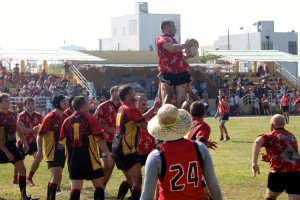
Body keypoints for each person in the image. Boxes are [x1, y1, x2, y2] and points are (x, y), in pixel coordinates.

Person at [140, 104, 222, 200]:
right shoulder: (201, 148)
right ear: (181, 124)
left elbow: (147, 196)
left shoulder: (155, 156)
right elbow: (213, 186)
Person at [59, 96, 113, 200]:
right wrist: (108, 155)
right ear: (84, 107)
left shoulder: (66, 121)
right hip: (90, 160)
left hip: (73, 160)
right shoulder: (90, 119)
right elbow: (100, 139)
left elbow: (62, 140)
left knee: (75, 189)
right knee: (99, 186)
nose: (89, 105)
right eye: (88, 104)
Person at [252, 114, 300, 200]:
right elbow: (292, 156)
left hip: (278, 173)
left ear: (272, 125)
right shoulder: (291, 136)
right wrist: (270, 158)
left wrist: (254, 163)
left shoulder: (270, 136)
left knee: (270, 197)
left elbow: (257, 142)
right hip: (296, 172)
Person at [112, 85, 148, 200]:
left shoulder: (121, 108)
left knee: (129, 180)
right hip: (126, 150)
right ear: (128, 95)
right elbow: (146, 126)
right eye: (133, 92)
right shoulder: (132, 109)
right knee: (137, 181)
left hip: (117, 148)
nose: (135, 94)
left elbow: (137, 119)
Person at [0, 93, 38, 200]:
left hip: (12, 145)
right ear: (0, 103)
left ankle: (23, 196)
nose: (9, 102)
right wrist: (6, 152)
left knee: (22, 169)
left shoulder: (12, 114)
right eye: (6, 101)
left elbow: (18, 128)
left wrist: (24, 142)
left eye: (9, 100)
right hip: (1, 147)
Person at [156, 20, 197, 108]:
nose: (176, 29)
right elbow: (171, 49)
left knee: (181, 104)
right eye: (174, 27)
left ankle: (182, 119)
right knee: (167, 101)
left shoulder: (173, 40)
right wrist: (186, 45)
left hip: (181, 73)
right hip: (168, 73)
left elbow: (179, 56)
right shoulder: (162, 38)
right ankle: (164, 119)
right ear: (167, 28)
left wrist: (189, 54)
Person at [36, 95, 68, 199]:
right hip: (52, 151)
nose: (66, 103)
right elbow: (39, 135)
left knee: (58, 175)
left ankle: (50, 196)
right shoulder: (49, 117)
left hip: (62, 151)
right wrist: (40, 151)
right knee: (57, 174)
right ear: (57, 103)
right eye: (63, 101)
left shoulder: (65, 117)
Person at [93, 86, 121, 190]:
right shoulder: (103, 105)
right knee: (107, 163)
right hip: (105, 139)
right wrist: (107, 128)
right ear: (112, 92)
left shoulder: (123, 106)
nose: (119, 93)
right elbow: (94, 120)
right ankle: (99, 188)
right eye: (117, 91)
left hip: (117, 139)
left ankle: (102, 187)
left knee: (112, 165)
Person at [13, 97, 43, 186]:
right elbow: (21, 129)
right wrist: (33, 130)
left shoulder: (38, 115)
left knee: (38, 158)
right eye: (29, 104)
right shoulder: (22, 115)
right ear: (25, 105)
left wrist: (41, 128)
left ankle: (29, 178)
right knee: (19, 161)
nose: (31, 106)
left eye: (32, 104)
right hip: (23, 141)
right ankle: (15, 177)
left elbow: (44, 124)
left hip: (34, 141)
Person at [135, 93, 160, 166]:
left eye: (145, 100)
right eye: (141, 100)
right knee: (136, 174)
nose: (144, 101)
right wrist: (154, 107)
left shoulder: (154, 115)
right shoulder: (133, 114)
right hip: (137, 148)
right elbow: (141, 118)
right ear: (135, 103)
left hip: (151, 147)